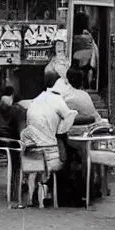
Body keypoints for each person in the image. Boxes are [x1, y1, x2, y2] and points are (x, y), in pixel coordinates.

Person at [20, 71, 77, 206]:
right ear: (58, 84)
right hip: (49, 157)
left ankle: (34, 195)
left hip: (29, 156)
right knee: (70, 157)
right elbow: (68, 119)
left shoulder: (36, 100)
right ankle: (59, 195)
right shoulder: (57, 100)